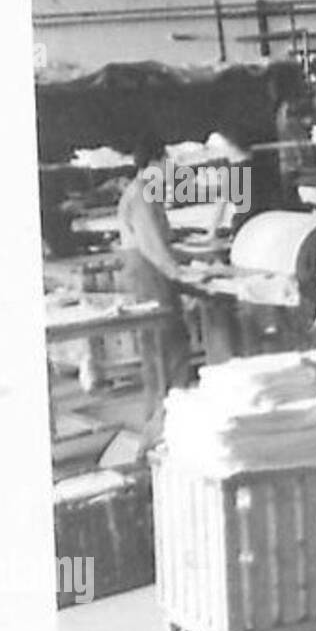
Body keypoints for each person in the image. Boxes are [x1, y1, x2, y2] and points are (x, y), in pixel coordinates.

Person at [116, 130, 197, 446]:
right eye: (167, 162)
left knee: (160, 349)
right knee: (167, 346)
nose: (169, 168)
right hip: (150, 274)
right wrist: (180, 275)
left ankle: (164, 420)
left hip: (150, 273)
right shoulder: (143, 194)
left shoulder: (145, 191)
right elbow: (153, 246)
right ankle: (167, 426)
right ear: (155, 162)